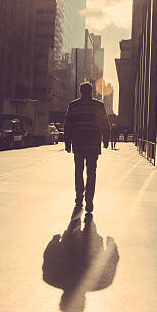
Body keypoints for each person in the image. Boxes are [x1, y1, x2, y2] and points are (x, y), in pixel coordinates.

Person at [64, 81, 110, 213]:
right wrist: (106, 140)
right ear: (91, 92)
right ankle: (89, 200)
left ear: (80, 91)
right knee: (91, 172)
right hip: (93, 143)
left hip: (78, 143)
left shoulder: (74, 105)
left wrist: (67, 143)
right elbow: (105, 123)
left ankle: (79, 198)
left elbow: (68, 124)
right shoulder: (98, 105)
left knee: (78, 171)